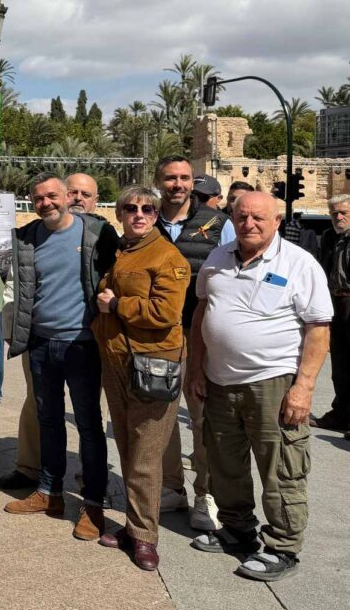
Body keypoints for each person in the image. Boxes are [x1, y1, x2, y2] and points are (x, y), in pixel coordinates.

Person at [188, 191, 331, 581]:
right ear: (231, 217)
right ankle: (237, 530)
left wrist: (304, 388)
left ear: (277, 221)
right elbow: (202, 313)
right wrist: (197, 369)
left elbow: (318, 328)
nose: (248, 223)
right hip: (220, 381)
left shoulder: (299, 263)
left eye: (258, 218)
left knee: (281, 469)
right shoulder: (218, 258)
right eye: (241, 216)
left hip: (273, 383)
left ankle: (283, 547)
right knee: (225, 463)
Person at [3, 172, 117, 542]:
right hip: (41, 344)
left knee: (89, 426)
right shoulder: (26, 237)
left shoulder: (97, 233)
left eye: (52, 196)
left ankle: (93, 504)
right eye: (38, 198)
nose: (46, 203)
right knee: (48, 420)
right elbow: (19, 287)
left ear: (66, 196)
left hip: (82, 345)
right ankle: (49, 493)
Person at [92, 186, 190, 571]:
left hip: (154, 363)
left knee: (146, 454)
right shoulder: (122, 250)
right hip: (117, 361)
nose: (139, 214)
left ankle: (145, 538)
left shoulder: (167, 255)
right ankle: (133, 526)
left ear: (156, 214)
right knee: (129, 447)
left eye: (148, 209)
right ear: (119, 214)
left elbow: (166, 312)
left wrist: (118, 304)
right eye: (131, 208)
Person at [155, 155, 234, 531]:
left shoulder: (220, 224)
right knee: (161, 416)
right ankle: (172, 487)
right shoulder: (146, 219)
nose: (178, 184)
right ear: (159, 182)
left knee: (203, 418)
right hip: (159, 336)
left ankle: (207, 494)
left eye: (184, 178)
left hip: (201, 335)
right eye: (171, 177)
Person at [313, 194, 350, 432]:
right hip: (334, 301)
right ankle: (342, 414)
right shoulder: (329, 237)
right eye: (334, 213)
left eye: (343, 212)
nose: (338, 217)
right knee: (339, 361)